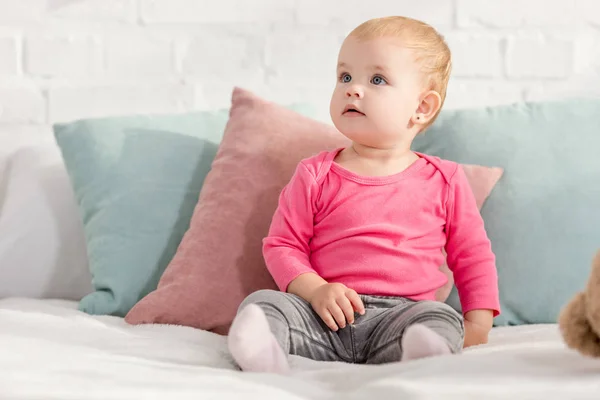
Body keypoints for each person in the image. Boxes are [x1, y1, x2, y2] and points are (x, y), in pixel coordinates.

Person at [227, 16, 500, 373]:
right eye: (345, 77)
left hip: (402, 319)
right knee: (264, 304)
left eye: (376, 79)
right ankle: (263, 352)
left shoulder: (445, 180)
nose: (353, 89)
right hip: (323, 318)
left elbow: (473, 256)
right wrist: (315, 290)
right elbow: (282, 246)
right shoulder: (314, 174)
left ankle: (424, 354)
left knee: (438, 317)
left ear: (422, 107)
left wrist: (478, 324)